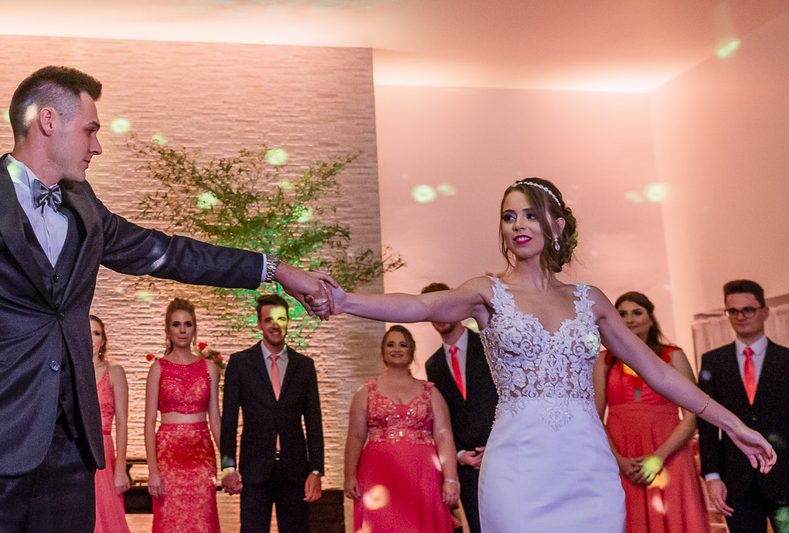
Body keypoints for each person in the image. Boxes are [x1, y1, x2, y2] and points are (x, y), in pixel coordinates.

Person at [0, 66, 332, 533]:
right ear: (48, 120)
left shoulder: (85, 206)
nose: (97, 146)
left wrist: (276, 271)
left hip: (69, 460)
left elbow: (167, 253)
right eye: (90, 130)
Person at [321, 177, 776, 533]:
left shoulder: (590, 300)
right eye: (508, 217)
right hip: (518, 464)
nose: (518, 225)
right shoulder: (487, 292)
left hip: (588, 464)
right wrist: (344, 301)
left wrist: (734, 425)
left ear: (556, 226)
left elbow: (657, 371)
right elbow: (419, 306)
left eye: (530, 215)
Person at [593, 290, 708, 533]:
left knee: (676, 519)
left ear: (651, 319)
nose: (630, 319)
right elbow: (594, 419)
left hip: (670, 454)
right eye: (622, 314)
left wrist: (659, 457)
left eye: (637, 312)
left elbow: (692, 416)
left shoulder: (673, 355)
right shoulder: (603, 361)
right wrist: (619, 461)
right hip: (622, 459)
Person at [220, 295, 324, 533]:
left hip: (295, 471)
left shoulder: (304, 366)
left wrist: (316, 470)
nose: (275, 325)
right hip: (254, 471)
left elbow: (314, 422)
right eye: (269, 320)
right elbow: (229, 420)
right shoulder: (240, 363)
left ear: (288, 322)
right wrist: (228, 467)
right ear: (259, 323)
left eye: (281, 319)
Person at [344, 325, 458, 532]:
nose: (397, 349)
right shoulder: (366, 391)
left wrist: (450, 479)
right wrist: (349, 475)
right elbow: (356, 436)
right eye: (391, 344)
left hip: (423, 476)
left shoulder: (430, 392)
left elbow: (444, 437)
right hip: (378, 476)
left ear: (412, 350)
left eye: (403, 345)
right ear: (383, 351)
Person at [699, 278, 789, 533]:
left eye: (748, 309)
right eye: (733, 310)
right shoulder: (713, 361)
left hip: (784, 475)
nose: (740, 316)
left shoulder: (786, 359)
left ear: (765, 311)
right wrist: (712, 476)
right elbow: (706, 424)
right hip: (736, 480)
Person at [421, 281, 497, 533]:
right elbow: (444, 419)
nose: (439, 316)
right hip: (467, 465)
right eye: (431, 310)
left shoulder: (488, 346)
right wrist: (459, 454)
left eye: (443, 306)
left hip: (501, 454)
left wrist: (496, 445)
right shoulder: (432, 365)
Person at [145, 298, 222, 533]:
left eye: (188, 324)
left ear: (194, 328)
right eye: (176, 324)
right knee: (169, 523)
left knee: (203, 522)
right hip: (168, 456)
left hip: (202, 456)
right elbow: (149, 423)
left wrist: (230, 464)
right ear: (168, 329)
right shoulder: (157, 368)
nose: (182, 330)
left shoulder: (210, 368)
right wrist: (153, 471)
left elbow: (215, 420)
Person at [89, 315, 130, 533]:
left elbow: (122, 422)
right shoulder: (71, 372)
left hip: (104, 452)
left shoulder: (114, 372)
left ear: (103, 340)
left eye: (96, 333)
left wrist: (121, 469)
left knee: (106, 513)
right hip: (75, 452)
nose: (91, 338)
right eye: (86, 332)